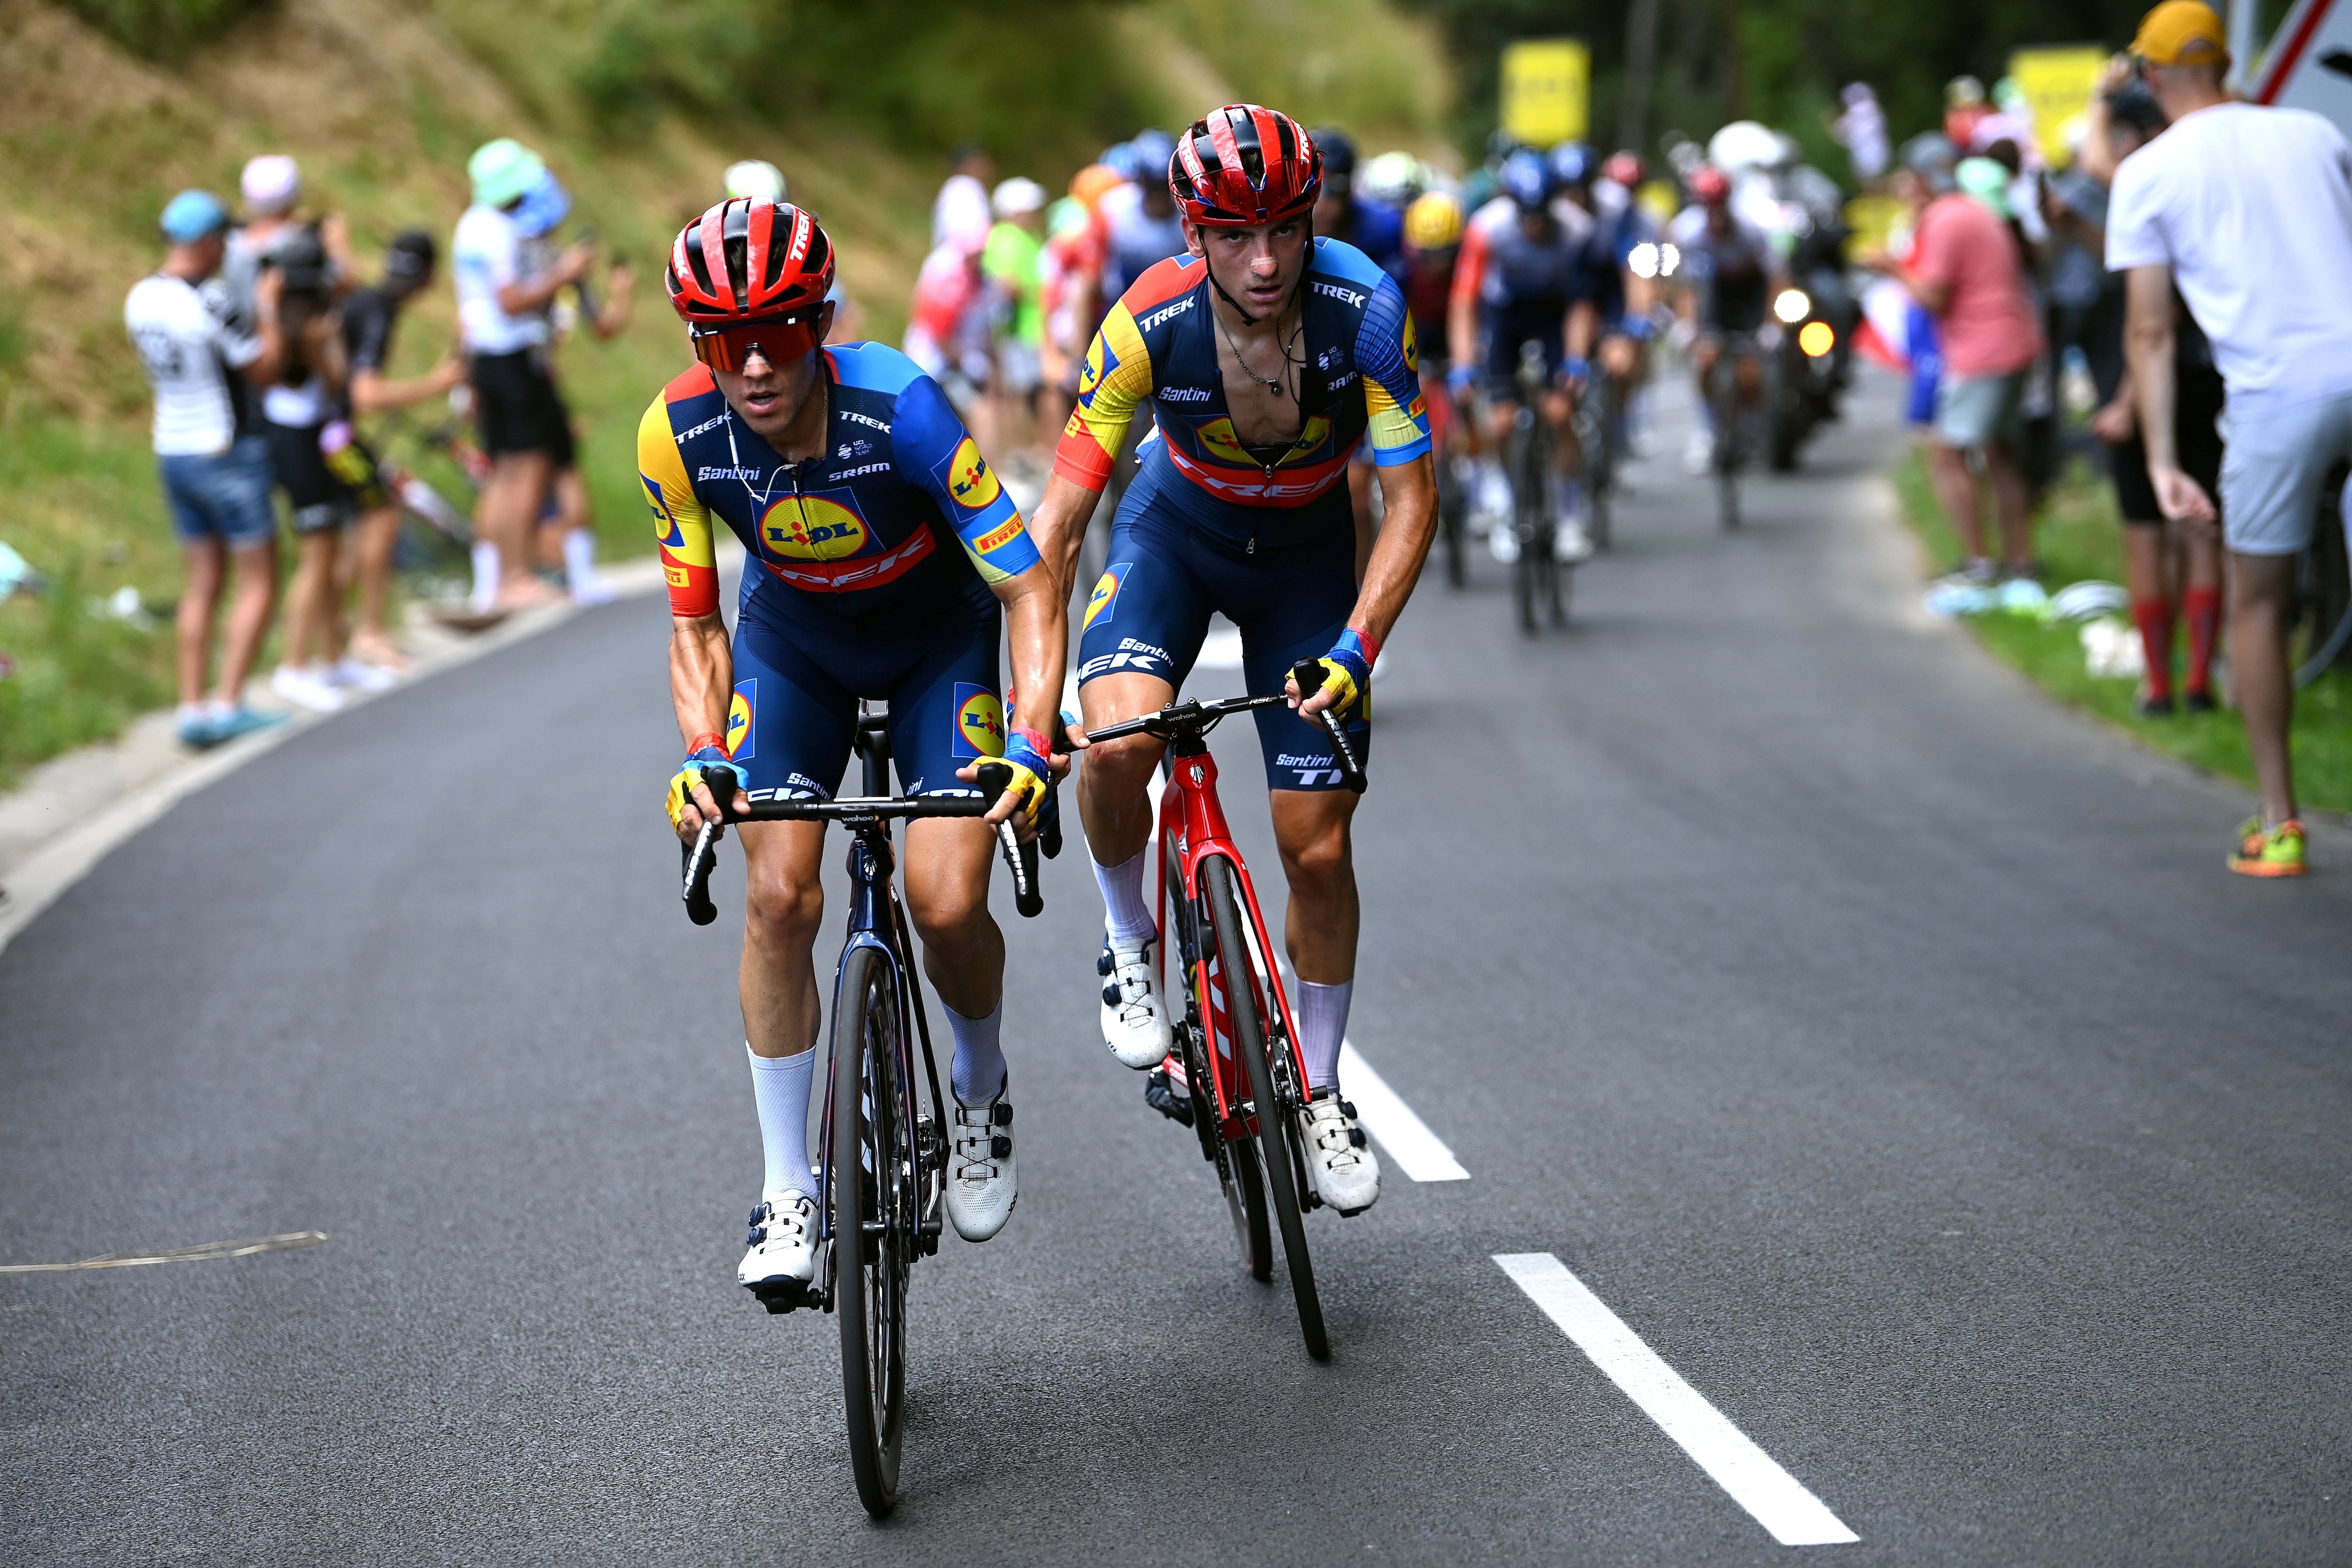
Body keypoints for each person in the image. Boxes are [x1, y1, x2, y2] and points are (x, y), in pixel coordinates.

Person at [1025, 104, 1440, 1218]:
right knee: (1115, 746)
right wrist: (1032, 708)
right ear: (1190, 231)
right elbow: (1061, 523)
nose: (1263, 262)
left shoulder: (1364, 308)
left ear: (1312, 224)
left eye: (1285, 231)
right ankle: (1126, 936)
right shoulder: (1144, 324)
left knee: (1315, 847)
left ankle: (1316, 1090)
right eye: (1233, 235)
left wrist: (1360, 645)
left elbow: (1411, 501)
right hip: (1175, 536)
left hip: (1306, 561)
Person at [647, 199, 1066, 1294]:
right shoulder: (676, 433)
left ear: (822, 323)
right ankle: (790, 1185)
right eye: (717, 339)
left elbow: (1024, 585)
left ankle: (977, 1091)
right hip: (799, 652)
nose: (749, 363)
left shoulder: (903, 410)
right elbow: (697, 624)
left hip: (940, 644)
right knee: (779, 896)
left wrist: (1029, 737)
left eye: (779, 331)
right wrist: (705, 753)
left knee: (941, 896)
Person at [2105, 0, 2352, 876]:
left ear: (2153, 76)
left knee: (2257, 605)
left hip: (2277, 398)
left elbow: (2150, 333)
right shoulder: (2316, 136)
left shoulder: (2146, 173)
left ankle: (2280, 821)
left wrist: (2165, 459)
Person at [2065, 69, 2225, 716]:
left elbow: (2158, 317)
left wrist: (2129, 398)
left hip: (2154, 384)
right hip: (2208, 381)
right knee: (2201, 532)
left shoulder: (2146, 178)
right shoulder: (2206, 174)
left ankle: (2162, 684)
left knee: (2149, 533)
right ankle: (2198, 679)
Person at [125, 191, 288, 748]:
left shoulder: (141, 296)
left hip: (173, 448)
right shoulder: (212, 298)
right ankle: (227, 703)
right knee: (259, 580)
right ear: (211, 241)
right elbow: (263, 367)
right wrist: (267, 305)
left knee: (201, 584)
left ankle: (190, 707)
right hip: (226, 448)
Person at [1860, 138, 2044, 584]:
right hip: (2013, 343)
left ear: (1924, 177)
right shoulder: (1975, 211)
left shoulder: (1945, 219)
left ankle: (1980, 562)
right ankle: (2019, 561)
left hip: (1984, 351)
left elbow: (1934, 297)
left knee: (1946, 453)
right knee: (1998, 455)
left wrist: (1891, 268)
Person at [451, 138, 599, 612]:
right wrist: (566, 272)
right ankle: (516, 576)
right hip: (512, 357)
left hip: (484, 357)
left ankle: (497, 577)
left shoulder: (469, 224)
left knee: (505, 470)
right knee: (529, 466)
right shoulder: (498, 230)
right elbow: (511, 300)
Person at [1447, 148, 1596, 565]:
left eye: (1540, 216)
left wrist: (1577, 358)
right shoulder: (1487, 227)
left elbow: (1581, 305)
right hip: (1505, 316)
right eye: (1525, 216)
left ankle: (1570, 514)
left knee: (1560, 412)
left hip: (1554, 314)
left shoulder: (1576, 229)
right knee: (1500, 421)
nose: (1533, 226)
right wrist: (1462, 364)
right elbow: (1465, 302)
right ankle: (1509, 507)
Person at [260, 227, 382, 714]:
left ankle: (333, 658)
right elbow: (339, 384)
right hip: (299, 440)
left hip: (311, 437)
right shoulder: (311, 327)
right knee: (317, 556)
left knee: (330, 552)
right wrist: (326, 347)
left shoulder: (278, 315)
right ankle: (294, 666)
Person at [339, 231, 468, 672]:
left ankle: (347, 630)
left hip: (323, 430)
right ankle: (368, 632)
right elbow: (366, 395)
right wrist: (436, 384)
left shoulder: (370, 301)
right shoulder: (377, 311)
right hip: (325, 434)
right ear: (429, 276)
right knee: (380, 514)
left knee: (362, 519)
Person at [1669, 165, 1782, 475]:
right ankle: (1707, 428)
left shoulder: (1752, 227)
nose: (1715, 213)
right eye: (1708, 206)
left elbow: (1776, 278)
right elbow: (1687, 287)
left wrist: (1773, 325)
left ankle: (1753, 424)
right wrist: (1686, 326)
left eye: (1720, 205)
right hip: (1713, 292)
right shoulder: (1688, 230)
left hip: (1750, 292)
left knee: (1750, 371)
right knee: (1706, 360)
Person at [981, 176, 1049, 456]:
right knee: (1020, 391)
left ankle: (1030, 450)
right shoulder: (1006, 237)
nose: (1034, 214)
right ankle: (1019, 452)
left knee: (1033, 389)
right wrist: (1038, 294)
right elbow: (1006, 285)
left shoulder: (1025, 236)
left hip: (1033, 326)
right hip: (1018, 328)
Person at [931, 144, 994, 250]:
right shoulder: (965, 190)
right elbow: (969, 234)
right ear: (967, 165)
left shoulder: (954, 188)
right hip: (962, 258)